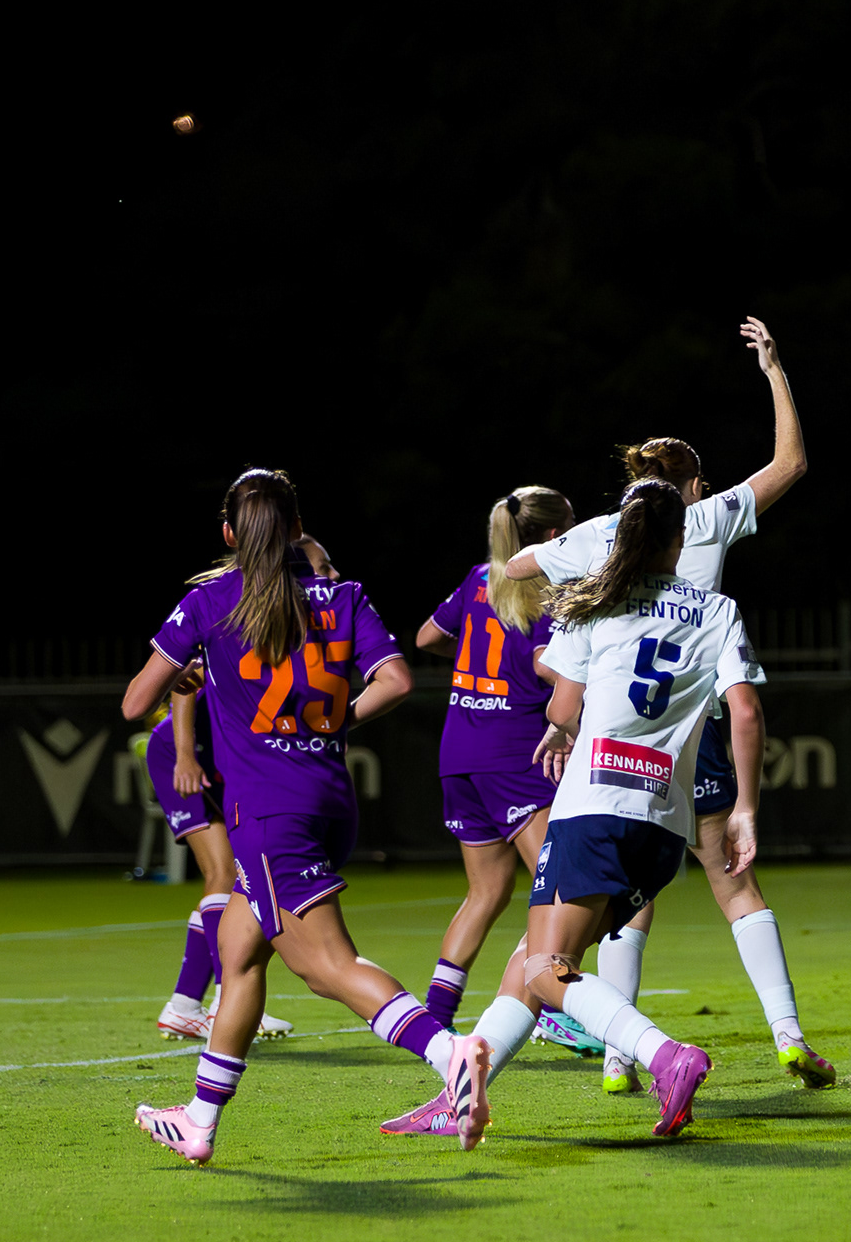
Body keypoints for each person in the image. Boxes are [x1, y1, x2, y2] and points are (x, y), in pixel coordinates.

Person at [124, 468, 490, 1163]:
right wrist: (334, 722)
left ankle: (449, 1054)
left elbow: (135, 703)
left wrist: (187, 671)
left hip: (268, 814)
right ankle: (199, 1120)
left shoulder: (211, 601)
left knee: (326, 967)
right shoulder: (343, 595)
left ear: (229, 533)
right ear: (297, 529)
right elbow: (397, 680)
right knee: (239, 952)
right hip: (326, 798)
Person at [503, 317, 831, 1090]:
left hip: (610, 740)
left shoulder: (595, 535)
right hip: (691, 731)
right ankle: (788, 1036)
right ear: (691, 490)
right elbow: (791, 463)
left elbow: (516, 567)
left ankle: (619, 1054)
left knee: (608, 912)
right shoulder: (707, 522)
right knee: (733, 885)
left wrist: (550, 563)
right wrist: (773, 370)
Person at [407, 479, 766, 1138]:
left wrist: (561, 726)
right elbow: (744, 710)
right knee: (535, 956)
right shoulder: (717, 610)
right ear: (680, 540)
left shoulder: (595, 602)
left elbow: (562, 705)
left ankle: (666, 1056)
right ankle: (458, 1092)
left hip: (593, 807)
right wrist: (744, 807)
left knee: (546, 970)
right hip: (663, 822)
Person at [412, 486, 575, 1032]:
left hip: (459, 750)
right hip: (513, 757)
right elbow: (547, 665)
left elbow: (427, 637)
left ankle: (435, 1019)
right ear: (553, 535)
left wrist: (477, 663)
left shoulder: (479, 578)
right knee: (561, 888)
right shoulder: (548, 587)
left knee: (487, 892)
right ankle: (551, 1004)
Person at [148, 683, 294, 1043]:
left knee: (239, 877)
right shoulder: (243, 643)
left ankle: (184, 1007)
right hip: (184, 751)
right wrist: (185, 754)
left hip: (224, 752)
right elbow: (185, 681)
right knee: (223, 872)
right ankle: (226, 1002)